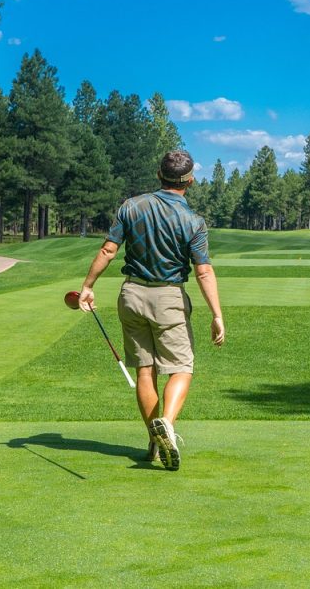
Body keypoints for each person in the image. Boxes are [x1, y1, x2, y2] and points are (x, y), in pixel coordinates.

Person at [78, 150, 224, 471]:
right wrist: (216, 314)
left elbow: (108, 249)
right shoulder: (194, 222)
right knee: (182, 368)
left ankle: (155, 441)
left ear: (159, 174)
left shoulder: (131, 206)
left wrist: (88, 286)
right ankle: (167, 426)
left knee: (146, 370)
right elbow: (202, 272)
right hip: (168, 297)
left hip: (131, 294)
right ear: (191, 180)